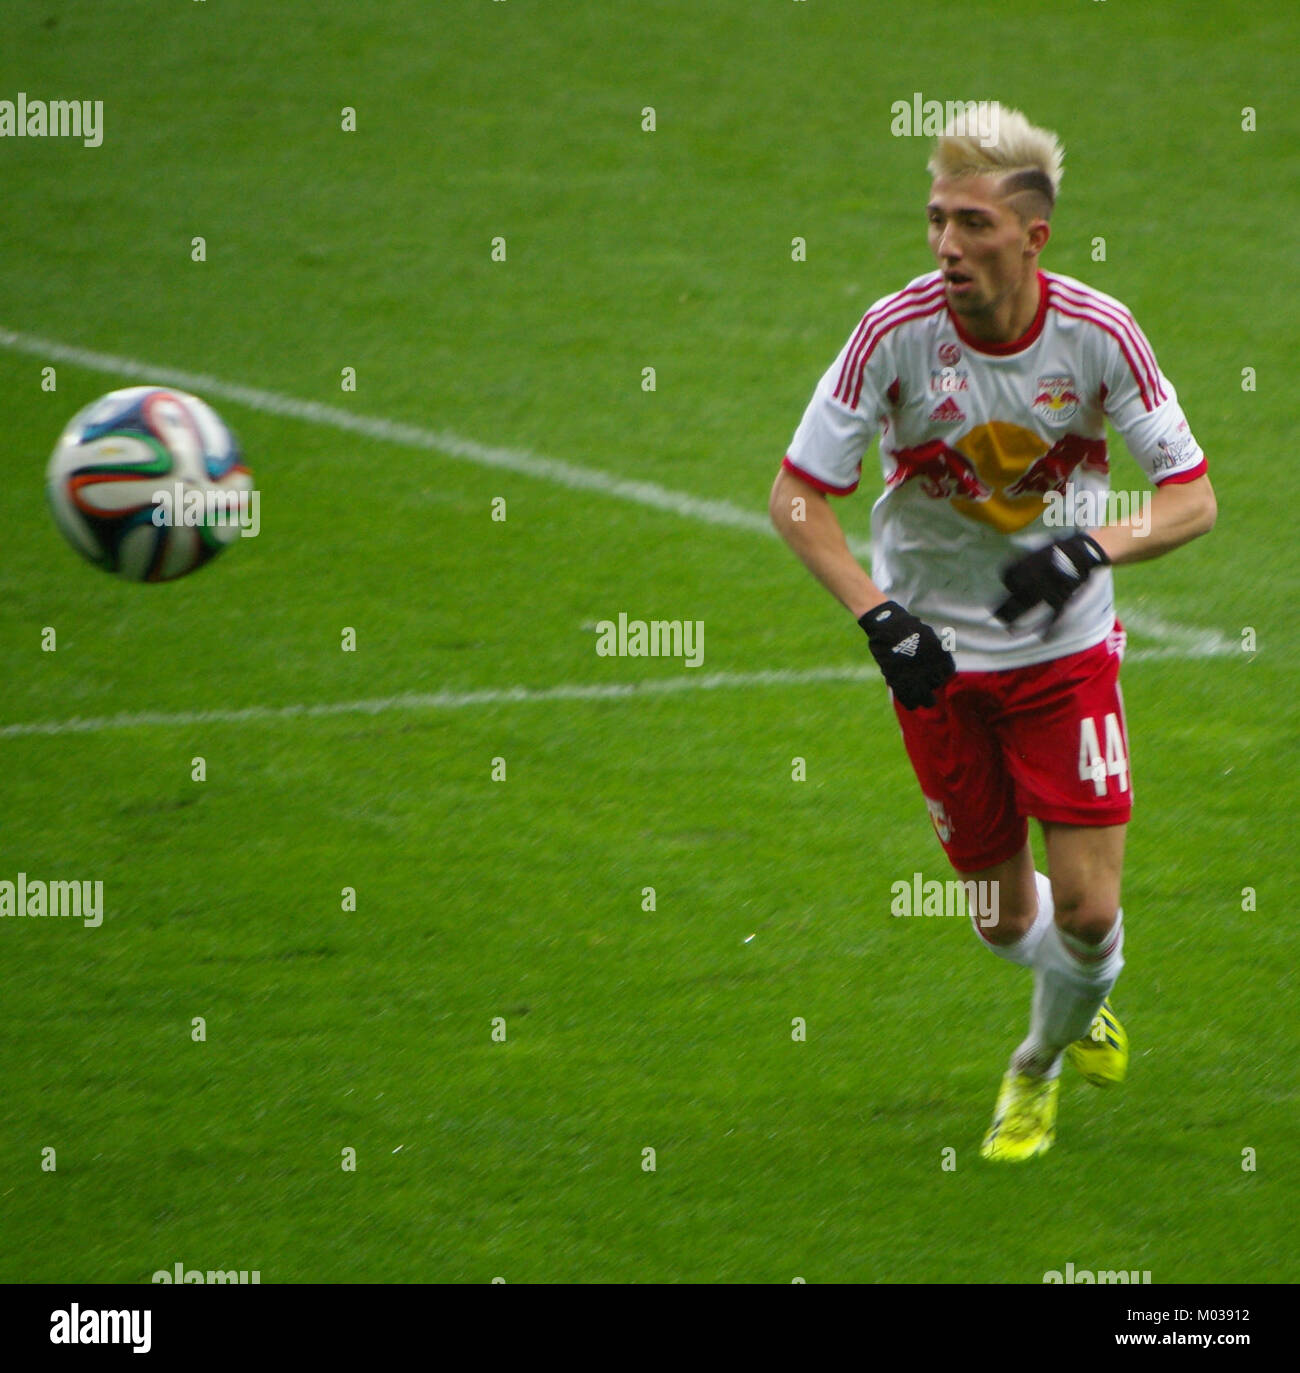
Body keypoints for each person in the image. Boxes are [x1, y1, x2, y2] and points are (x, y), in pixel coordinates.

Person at [769, 105, 1216, 1161]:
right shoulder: (893, 334)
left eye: (971, 222)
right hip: (934, 660)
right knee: (999, 916)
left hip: (1063, 655)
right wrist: (877, 616)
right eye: (934, 219)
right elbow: (794, 497)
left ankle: (1034, 1064)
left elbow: (1192, 497)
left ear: (1032, 236)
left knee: (1089, 910)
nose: (945, 245)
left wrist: (1090, 550)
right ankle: (1075, 1001)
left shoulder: (1099, 334)